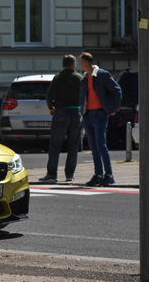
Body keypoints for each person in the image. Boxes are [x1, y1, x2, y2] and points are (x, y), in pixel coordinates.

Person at [78, 52, 122, 187]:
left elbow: (117, 90)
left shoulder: (102, 75)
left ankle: (109, 175)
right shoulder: (84, 79)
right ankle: (98, 175)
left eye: (80, 62)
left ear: (85, 62)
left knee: (101, 145)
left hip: (100, 115)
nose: (79, 65)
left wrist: (113, 109)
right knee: (93, 147)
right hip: (88, 116)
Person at [39, 55, 82, 184]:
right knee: (73, 145)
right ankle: (70, 175)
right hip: (76, 111)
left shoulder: (58, 77)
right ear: (74, 64)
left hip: (61, 112)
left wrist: (51, 107)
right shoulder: (79, 78)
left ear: (63, 64)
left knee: (55, 145)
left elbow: (49, 95)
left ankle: (52, 174)